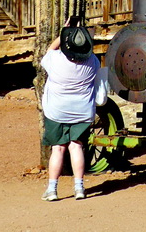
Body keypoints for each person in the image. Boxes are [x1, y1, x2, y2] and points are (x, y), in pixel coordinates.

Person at [40, 21, 103, 202]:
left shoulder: (56, 59)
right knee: (77, 147)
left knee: (58, 149)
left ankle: (52, 189)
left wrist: (64, 32)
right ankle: (79, 187)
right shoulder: (93, 62)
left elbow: (49, 50)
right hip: (82, 111)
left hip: (56, 111)